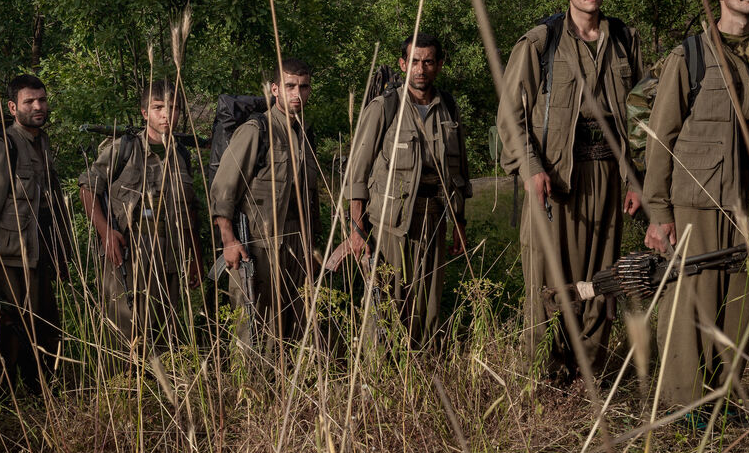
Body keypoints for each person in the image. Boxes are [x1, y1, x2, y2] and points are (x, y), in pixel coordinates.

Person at [642, 0, 749, 414]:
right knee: (691, 303)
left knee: (742, 308)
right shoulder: (689, 55)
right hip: (699, 199)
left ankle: (720, 400)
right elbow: (661, 138)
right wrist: (658, 212)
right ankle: (683, 407)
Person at [497, 0, 644, 382]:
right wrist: (531, 167)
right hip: (555, 178)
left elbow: (643, 117)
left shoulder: (624, 39)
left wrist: (638, 179)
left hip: (608, 175)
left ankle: (589, 374)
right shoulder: (540, 43)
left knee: (602, 278)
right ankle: (544, 375)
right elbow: (509, 116)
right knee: (548, 278)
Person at [345, 34, 471, 349]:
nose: (420, 69)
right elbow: (356, 174)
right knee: (387, 304)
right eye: (414, 61)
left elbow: (459, 173)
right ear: (403, 65)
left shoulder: (449, 108)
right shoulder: (385, 107)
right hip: (391, 224)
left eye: (428, 62)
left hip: (435, 220)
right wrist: (357, 229)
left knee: (428, 305)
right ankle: (380, 371)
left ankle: (423, 368)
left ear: (438, 65)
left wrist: (459, 222)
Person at [79, 79, 201, 353]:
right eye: (158, 107)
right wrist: (105, 232)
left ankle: (159, 381)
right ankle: (123, 381)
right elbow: (88, 187)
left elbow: (190, 210)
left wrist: (195, 256)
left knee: (164, 335)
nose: (167, 114)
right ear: (145, 113)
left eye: (173, 108)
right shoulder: (124, 149)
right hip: (128, 255)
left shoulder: (181, 155)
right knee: (125, 335)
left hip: (169, 256)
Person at [0, 74, 70, 395]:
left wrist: (61, 256)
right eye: (29, 101)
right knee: (3, 342)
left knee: (45, 336)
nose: (38, 107)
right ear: (13, 108)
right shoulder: (3, 147)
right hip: (6, 264)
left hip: (38, 259)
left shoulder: (41, 144)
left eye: (42, 100)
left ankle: (42, 403)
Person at [210, 58, 321, 354]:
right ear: (274, 89)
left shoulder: (305, 135)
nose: (297, 93)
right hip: (257, 246)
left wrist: (312, 247)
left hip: (296, 245)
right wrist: (229, 241)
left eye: (303, 87)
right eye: (289, 86)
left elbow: (310, 198)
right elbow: (223, 190)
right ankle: (248, 384)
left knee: (293, 329)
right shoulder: (256, 130)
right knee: (252, 328)